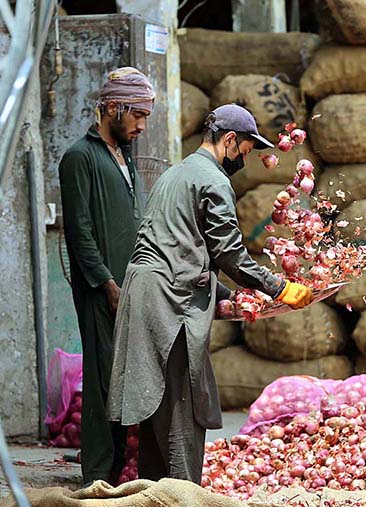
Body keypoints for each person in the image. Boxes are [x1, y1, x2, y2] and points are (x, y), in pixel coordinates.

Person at [107, 104, 313, 483]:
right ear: (229, 140)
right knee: (183, 410)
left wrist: (225, 295)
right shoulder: (214, 181)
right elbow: (229, 254)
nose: (244, 161)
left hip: (145, 292)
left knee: (158, 409)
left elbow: (181, 246)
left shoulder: (175, 173)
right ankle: (183, 495)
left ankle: (153, 495)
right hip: (169, 302)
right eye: (245, 151)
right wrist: (279, 287)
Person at [58, 67, 155, 486]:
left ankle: (116, 467)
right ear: (113, 107)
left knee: (123, 378)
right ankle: (96, 473)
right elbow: (78, 231)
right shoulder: (79, 157)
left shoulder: (124, 156)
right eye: (137, 115)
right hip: (101, 289)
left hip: (129, 284)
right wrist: (106, 283)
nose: (142, 125)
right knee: (101, 380)